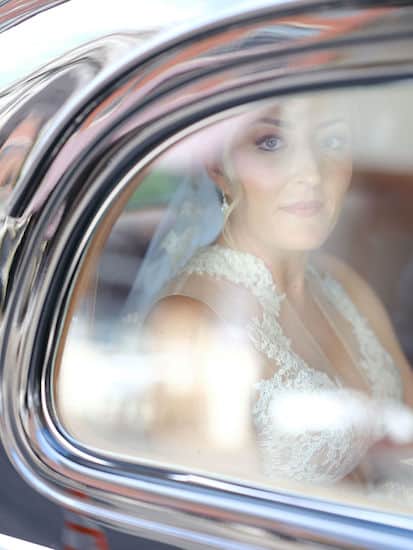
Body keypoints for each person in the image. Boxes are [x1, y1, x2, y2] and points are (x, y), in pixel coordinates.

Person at [130, 91, 413, 488]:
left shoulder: (345, 284)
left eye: (331, 142)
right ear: (217, 165)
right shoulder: (191, 325)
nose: (310, 173)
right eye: (271, 143)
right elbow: (216, 526)